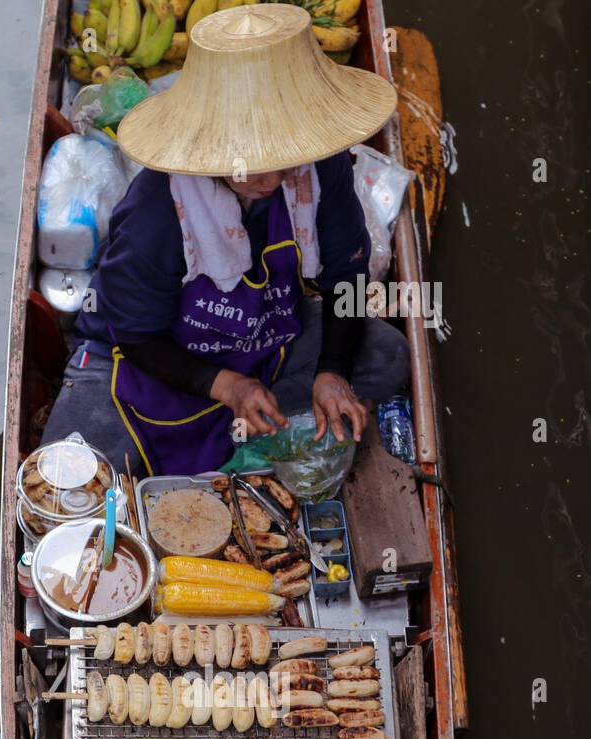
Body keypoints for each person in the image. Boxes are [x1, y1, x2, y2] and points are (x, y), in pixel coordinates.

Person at [42, 3, 410, 477]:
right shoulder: (158, 207)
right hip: (152, 363)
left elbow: (347, 276)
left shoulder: (323, 168)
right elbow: (134, 335)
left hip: (268, 334)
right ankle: (243, 433)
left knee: (386, 354)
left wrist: (332, 370)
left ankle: (256, 432)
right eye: (253, 163)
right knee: (66, 473)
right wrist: (228, 387)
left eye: (286, 157)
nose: (274, 178)